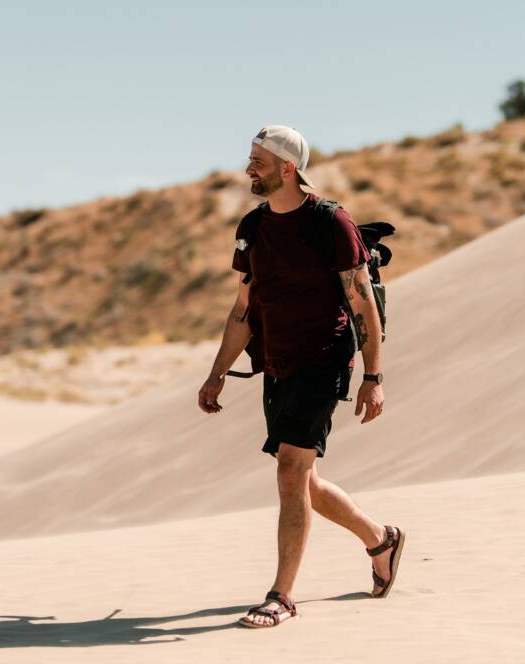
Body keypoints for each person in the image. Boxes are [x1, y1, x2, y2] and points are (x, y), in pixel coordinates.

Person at [197, 125, 405, 629]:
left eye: (258, 160)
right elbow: (243, 309)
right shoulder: (253, 226)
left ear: (287, 168)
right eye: (250, 157)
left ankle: (281, 596)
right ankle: (380, 539)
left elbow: (364, 304)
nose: (249, 167)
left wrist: (373, 376)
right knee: (304, 480)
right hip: (277, 362)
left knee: (290, 471)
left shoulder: (330, 221)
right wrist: (217, 373)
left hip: (324, 359)